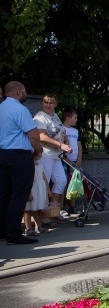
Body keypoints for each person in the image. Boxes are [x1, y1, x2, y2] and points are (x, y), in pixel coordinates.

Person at [0, 81, 43, 245]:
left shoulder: (1, 108)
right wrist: (38, 149)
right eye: (24, 91)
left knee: (4, 194)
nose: (25, 94)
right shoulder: (20, 109)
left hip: (2, 155)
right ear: (18, 92)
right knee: (19, 194)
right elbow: (34, 135)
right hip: (19, 156)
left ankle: (2, 231)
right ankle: (14, 234)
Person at [34, 94, 71, 218]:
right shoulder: (40, 117)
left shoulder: (55, 116)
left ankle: (52, 210)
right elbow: (41, 136)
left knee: (61, 181)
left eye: (51, 103)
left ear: (55, 104)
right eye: (45, 102)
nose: (48, 105)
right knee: (44, 185)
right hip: (45, 155)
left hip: (56, 155)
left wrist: (66, 141)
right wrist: (60, 145)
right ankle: (43, 216)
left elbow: (61, 131)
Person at [62, 107, 82, 215]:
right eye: (75, 118)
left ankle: (72, 206)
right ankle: (60, 207)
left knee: (73, 183)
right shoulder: (61, 129)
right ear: (68, 118)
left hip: (74, 161)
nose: (76, 120)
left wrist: (79, 159)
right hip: (64, 160)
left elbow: (79, 146)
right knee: (63, 182)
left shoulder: (76, 131)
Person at [23, 158, 48, 236]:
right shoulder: (28, 166)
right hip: (32, 189)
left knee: (36, 209)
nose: (40, 155)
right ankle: (28, 228)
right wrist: (29, 192)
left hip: (39, 189)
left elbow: (44, 177)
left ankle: (39, 226)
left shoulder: (39, 165)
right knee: (28, 210)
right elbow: (27, 180)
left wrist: (47, 189)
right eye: (38, 153)